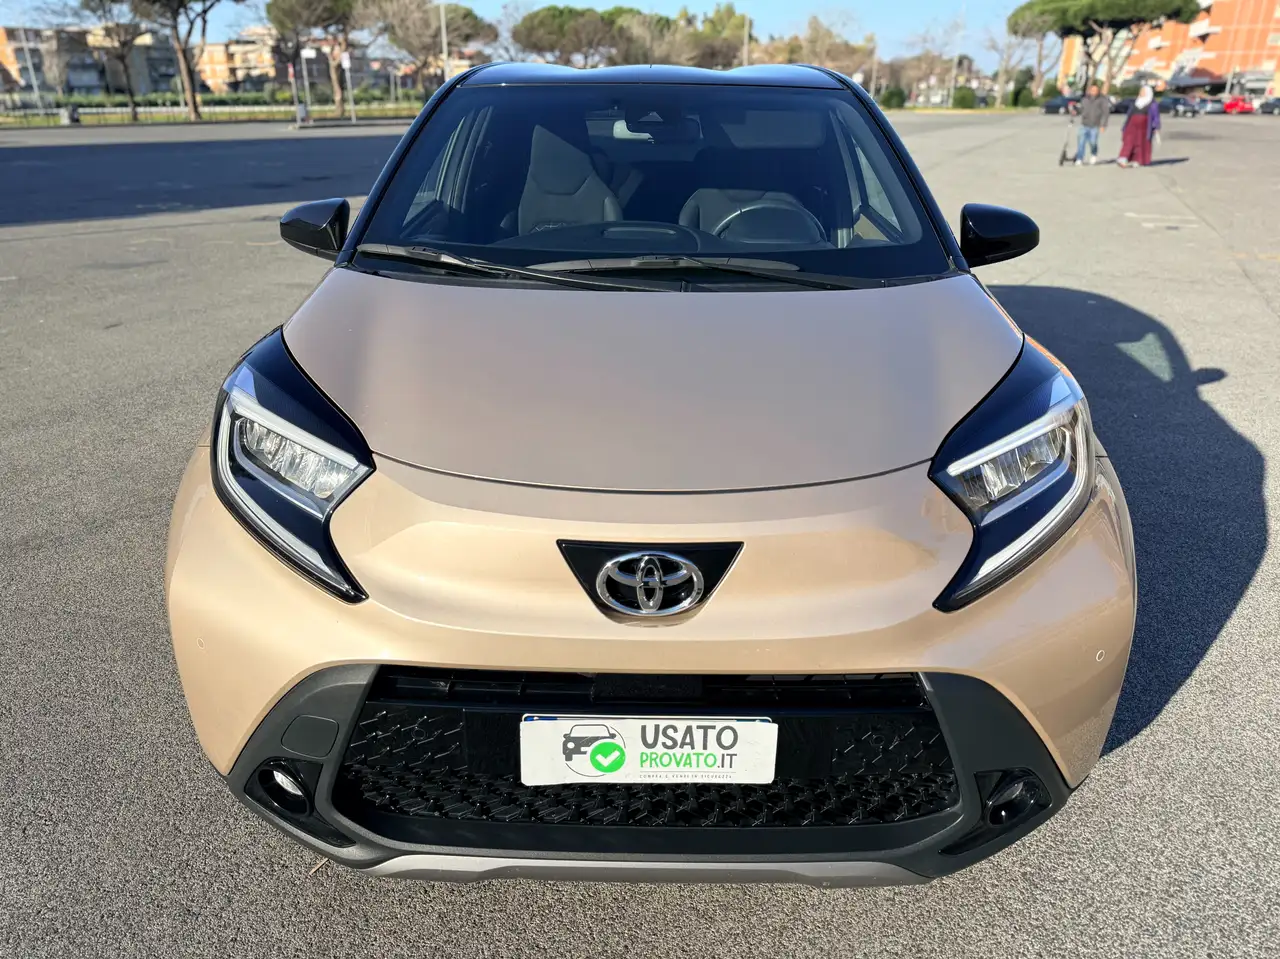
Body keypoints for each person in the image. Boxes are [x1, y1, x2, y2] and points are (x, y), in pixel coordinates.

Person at [1118, 85, 1161, 167]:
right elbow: (1129, 114)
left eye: (1143, 91)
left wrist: (1156, 127)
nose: (1141, 93)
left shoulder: (1152, 104)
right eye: (1141, 91)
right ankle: (1123, 158)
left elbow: (1156, 116)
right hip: (1132, 125)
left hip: (1145, 127)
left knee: (1141, 142)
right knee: (1128, 140)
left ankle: (1139, 160)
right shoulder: (1135, 102)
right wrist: (1125, 126)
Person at [1075, 83, 1108, 164]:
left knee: (1093, 142)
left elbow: (1105, 113)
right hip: (1084, 124)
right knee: (1081, 142)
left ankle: (1093, 154)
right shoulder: (1084, 99)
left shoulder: (1102, 100)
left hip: (1095, 125)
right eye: (1092, 90)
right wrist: (1076, 111)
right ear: (1089, 91)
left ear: (1098, 91)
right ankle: (1079, 158)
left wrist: (1103, 125)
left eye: (1095, 90)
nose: (1093, 92)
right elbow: (1081, 109)